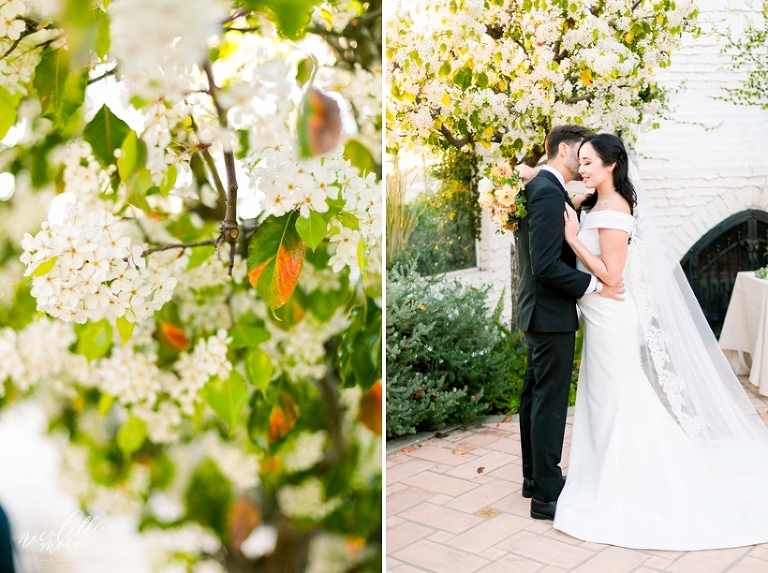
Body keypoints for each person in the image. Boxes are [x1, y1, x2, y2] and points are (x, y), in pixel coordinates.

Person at [525, 132, 768, 549]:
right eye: (579, 162)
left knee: (620, 396)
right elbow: (556, 189)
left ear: (611, 166)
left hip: (612, 314)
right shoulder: (594, 202)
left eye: (589, 163)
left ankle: (639, 477)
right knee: (602, 398)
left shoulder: (616, 208)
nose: (581, 169)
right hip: (600, 315)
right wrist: (533, 174)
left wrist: (572, 241)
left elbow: (612, 275)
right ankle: (604, 470)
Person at [515, 125, 625, 521]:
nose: (583, 161)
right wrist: (596, 285)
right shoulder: (546, 192)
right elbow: (545, 264)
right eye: (580, 153)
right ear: (563, 149)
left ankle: (534, 477)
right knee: (549, 404)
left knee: (534, 397)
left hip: (539, 311)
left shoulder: (543, 186)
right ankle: (545, 493)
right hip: (549, 313)